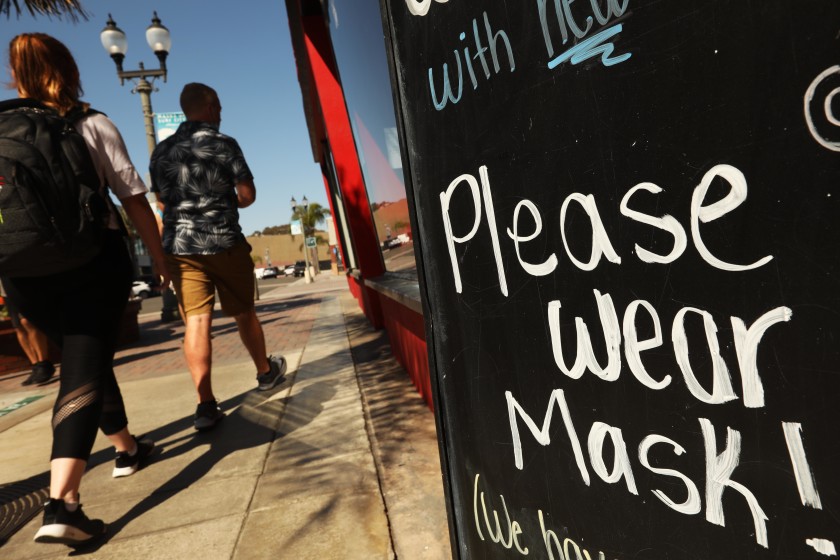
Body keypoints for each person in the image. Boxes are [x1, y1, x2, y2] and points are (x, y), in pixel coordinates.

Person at [4, 33, 171, 546]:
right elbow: (133, 197)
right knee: (82, 369)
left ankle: (126, 448)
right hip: (91, 262)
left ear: (15, 74)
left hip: (22, 272)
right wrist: (160, 258)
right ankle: (64, 504)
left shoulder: (3, 128)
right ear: (69, 69)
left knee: (88, 360)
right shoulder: (90, 123)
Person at [150, 82, 286, 432]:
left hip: (181, 248)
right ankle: (265, 372)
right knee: (243, 312)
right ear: (210, 108)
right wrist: (225, 201)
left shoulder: (161, 152)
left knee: (196, 322)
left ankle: (206, 404)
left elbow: (162, 202)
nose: (221, 113)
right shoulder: (224, 144)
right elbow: (247, 194)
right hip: (223, 241)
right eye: (220, 107)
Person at [1, 280, 56, 386]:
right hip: (4, 291)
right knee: (18, 327)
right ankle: (36, 366)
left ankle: (44, 363)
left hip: (18, 285)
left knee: (27, 322)